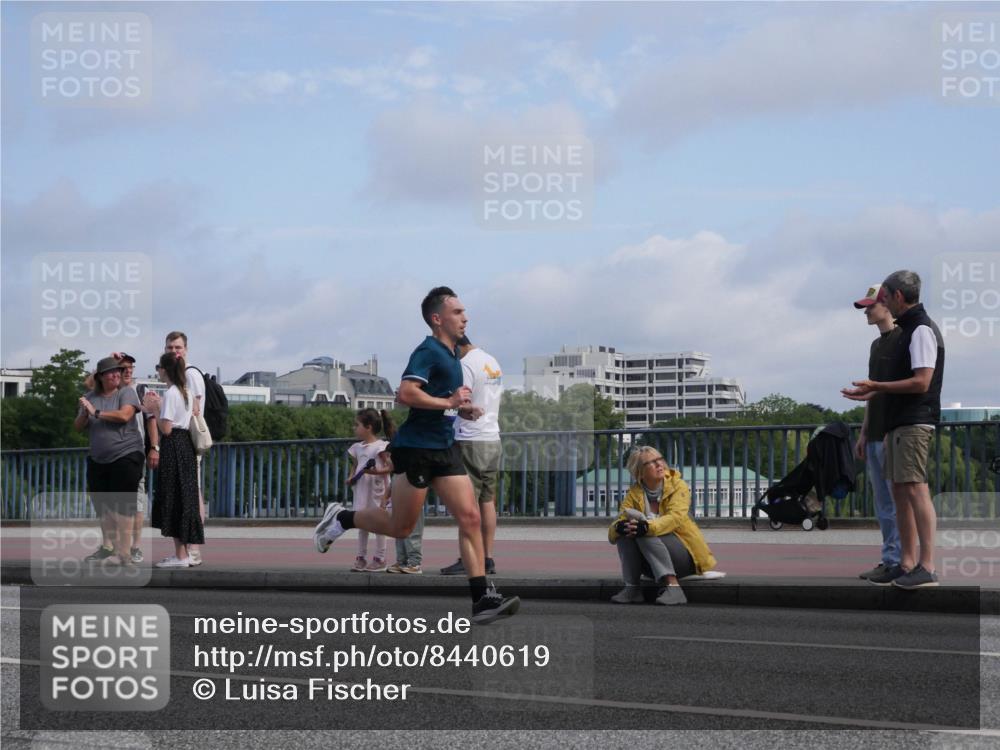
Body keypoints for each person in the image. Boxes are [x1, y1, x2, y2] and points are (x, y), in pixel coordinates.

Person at [314, 287, 520, 624]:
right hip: (416, 449)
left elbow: (440, 399)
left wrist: (461, 409)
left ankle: (482, 599)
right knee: (400, 527)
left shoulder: (454, 356)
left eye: (464, 312)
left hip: (445, 446)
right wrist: (450, 403)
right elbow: (407, 393)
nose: (465, 317)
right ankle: (343, 518)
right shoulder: (427, 351)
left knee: (470, 518)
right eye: (457, 312)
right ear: (437, 319)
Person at [843, 270, 945, 589]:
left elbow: (922, 381)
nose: (881, 303)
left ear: (897, 297)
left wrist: (877, 385)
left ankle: (926, 565)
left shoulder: (921, 330)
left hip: (914, 420)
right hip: (898, 423)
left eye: (884, 298)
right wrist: (873, 392)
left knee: (915, 488)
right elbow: (905, 382)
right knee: (900, 492)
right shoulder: (908, 330)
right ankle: (906, 563)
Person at [608, 446, 721, 606]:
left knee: (642, 531)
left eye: (660, 459)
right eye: (651, 463)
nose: (659, 464)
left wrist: (646, 527)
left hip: (686, 559)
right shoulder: (634, 493)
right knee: (627, 532)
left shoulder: (678, 485)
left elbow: (675, 518)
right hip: (651, 563)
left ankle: (674, 588)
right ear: (640, 471)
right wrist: (619, 527)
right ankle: (632, 589)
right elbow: (615, 525)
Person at [851, 285, 902, 581]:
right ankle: (890, 557)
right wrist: (863, 431)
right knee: (883, 504)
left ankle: (897, 560)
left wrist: (890, 429)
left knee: (895, 502)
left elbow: (901, 392)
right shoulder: (876, 345)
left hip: (890, 433)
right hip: (875, 434)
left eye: (871, 306)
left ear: (886, 305)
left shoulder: (901, 339)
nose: (867, 312)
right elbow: (873, 392)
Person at [441, 336, 503, 576]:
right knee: (487, 501)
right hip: (492, 438)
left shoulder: (465, 364)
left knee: (466, 504)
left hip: (470, 439)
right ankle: (487, 558)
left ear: (457, 347)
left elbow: (459, 402)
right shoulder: (492, 362)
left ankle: (468, 558)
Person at [74, 357, 145, 566]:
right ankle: (114, 547)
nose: (117, 374)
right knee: (104, 508)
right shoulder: (90, 397)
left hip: (127, 454)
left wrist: (96, 412)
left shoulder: (126, 392)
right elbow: (78, 427)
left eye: (118, 371)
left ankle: (125, 553)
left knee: (123, 505)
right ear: (101, 377)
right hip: (98, 458)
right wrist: (85, 414)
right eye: (112, 372)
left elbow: (124, 416)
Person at [149, 352, 204, 568]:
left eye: (158, 367)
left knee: (173, 496)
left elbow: (167, 429)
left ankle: (180, 555)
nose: (158, 371)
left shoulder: (171, 393)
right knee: (186, 496)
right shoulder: (187, 392)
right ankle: (185, 553)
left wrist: (154, 409)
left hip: (173, 446)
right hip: (186, 446)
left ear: (165, 370)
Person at [164, 331, 206, 567]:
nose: (174, 352)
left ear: (186, 349)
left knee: (190, 495)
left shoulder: (190, 376)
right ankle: (190, 549)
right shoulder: (183, 379)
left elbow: (196, 409)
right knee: (190, 494)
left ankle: (192, 550)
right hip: (186, 440)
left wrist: (162, 408)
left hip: (186, 439)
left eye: (177, 348)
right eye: (170, 348)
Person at [118, 353, 158, 564]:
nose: (128, 371)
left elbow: (151, 421)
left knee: (137, 502)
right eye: (123, 367)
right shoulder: (109, 391)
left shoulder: (140, 391)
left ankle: (135, 547)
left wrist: (154, 447)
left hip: (135, 455)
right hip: (112, 455)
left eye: (130, 367)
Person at [347, 408, 395, 573]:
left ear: (368, 427)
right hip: (362, 489)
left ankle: (380, 558)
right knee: (362, 523)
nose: (354, 428)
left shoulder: (380, 447)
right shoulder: (357, 447)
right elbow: (355, 466)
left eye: (357, 425)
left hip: (376, 490)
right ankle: (360, 557)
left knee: (379, 524)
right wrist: (351, 476)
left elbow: (390, 468)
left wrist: (372, 472)